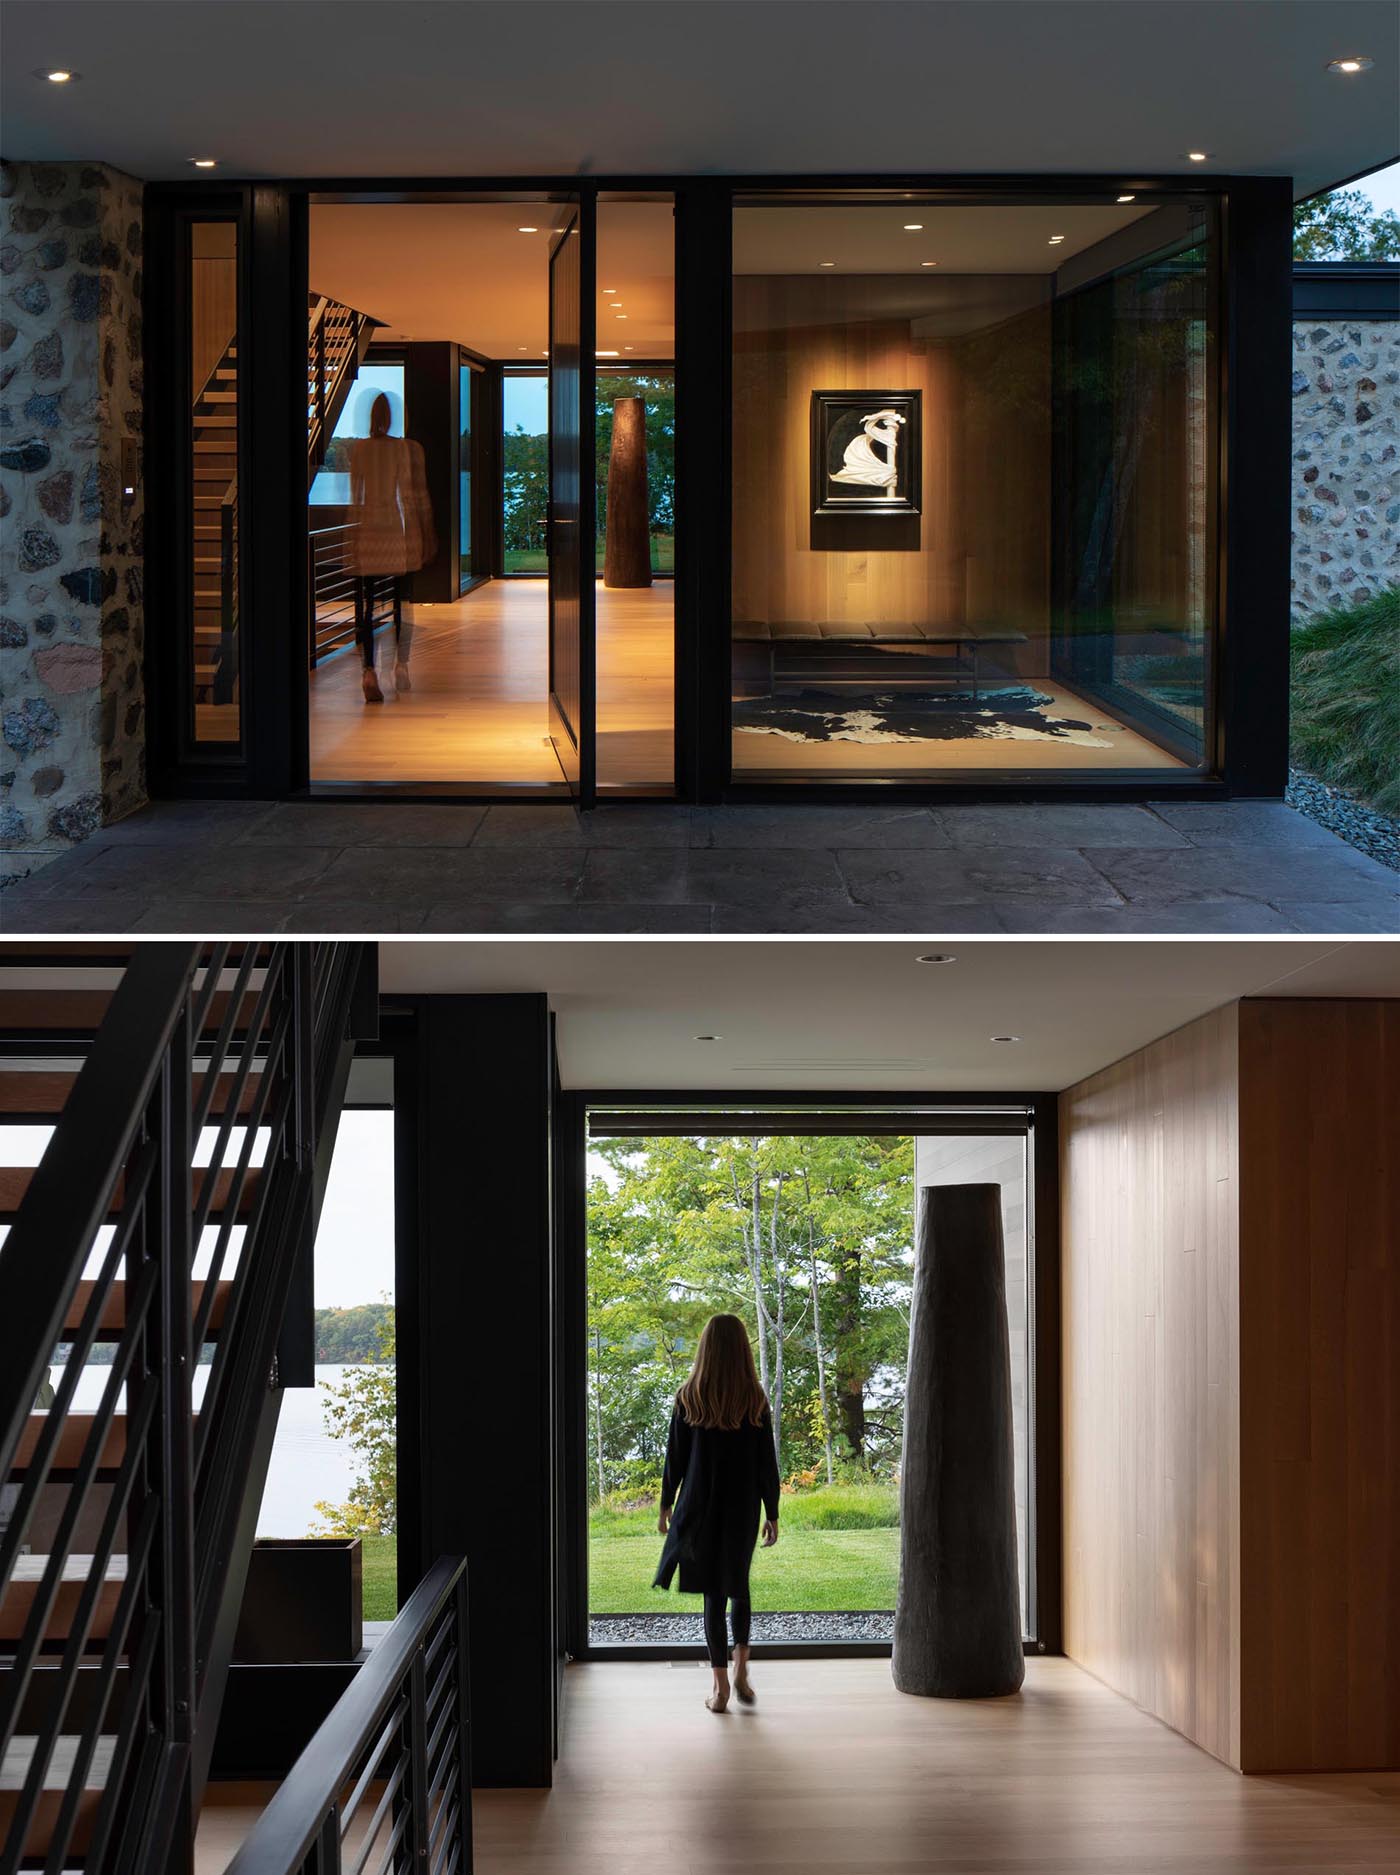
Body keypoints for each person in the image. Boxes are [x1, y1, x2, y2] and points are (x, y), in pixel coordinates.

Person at [654, 1313, 780, 1713]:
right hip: (742, 1506)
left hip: (700, 1505)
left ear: (705, 1347)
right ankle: (742, 1666)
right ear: (743, 1349)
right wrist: (772, 1511)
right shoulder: (754, 1398)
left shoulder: (689, 1395)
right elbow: (766, 1463)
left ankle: (720, 1688)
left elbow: (674, 1458)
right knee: (737, 1583)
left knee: (713, 1593)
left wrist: (665, 1504)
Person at [347, 391, 437, 703]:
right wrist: (426, 534)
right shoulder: (407, 449)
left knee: (367, 607)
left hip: (368, 531)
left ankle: (369, 670)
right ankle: (401, 665)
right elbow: (415, 497)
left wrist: (351, 540)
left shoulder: (359, 450)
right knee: (402, 604)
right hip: (396, 532)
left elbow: (355, 499)